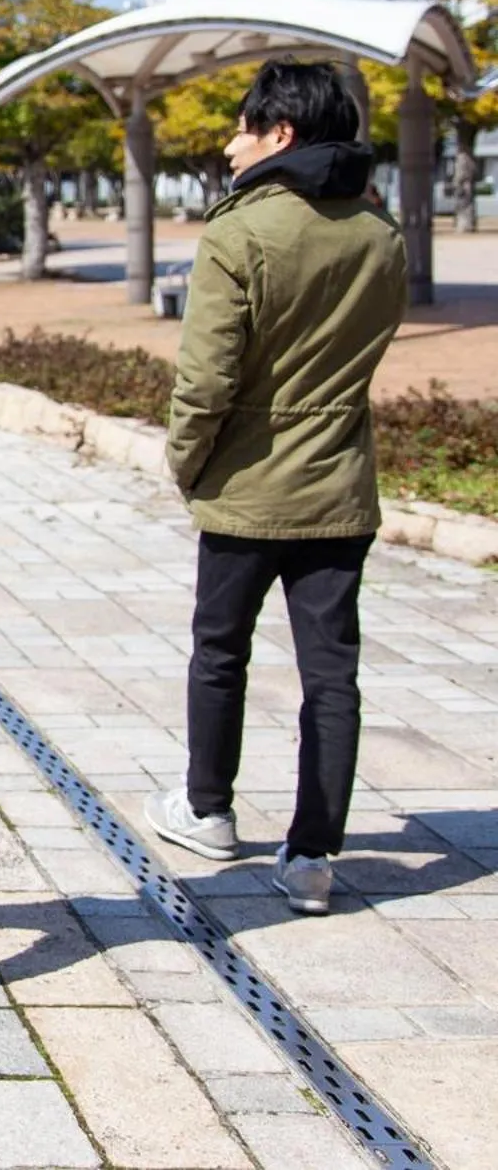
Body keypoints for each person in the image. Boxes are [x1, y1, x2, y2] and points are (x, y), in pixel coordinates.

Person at [147, 60, 406, 916]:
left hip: (248, 489)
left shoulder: (239, 233)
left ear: (281, 135)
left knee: (221, 651)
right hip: (340, 484)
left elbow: (206, 379)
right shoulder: (379, 235)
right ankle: (312, 855)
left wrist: (186, 461)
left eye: (243, 128)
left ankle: (208, 808)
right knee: (333, 673)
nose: (229, 144)